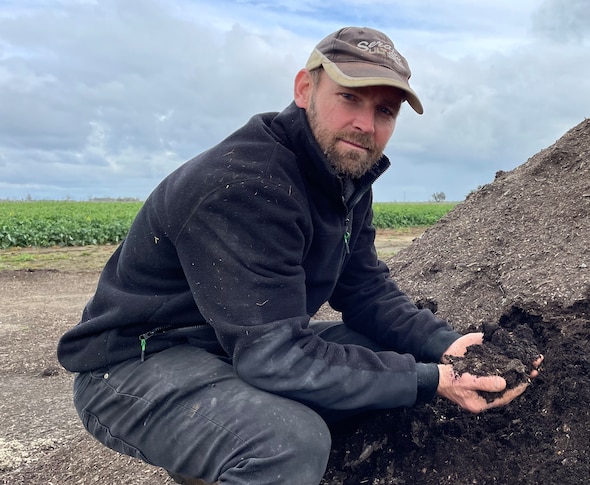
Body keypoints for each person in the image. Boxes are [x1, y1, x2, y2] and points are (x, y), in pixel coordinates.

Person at [57, 26, 541, 485]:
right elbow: (275, 356)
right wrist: (433, 380)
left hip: (236, 344)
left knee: (393, 358)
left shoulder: (345, 176)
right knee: (288, 442)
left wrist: (445, 348)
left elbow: (367, 290)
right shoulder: (248, 184)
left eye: (385, 111)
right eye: (349, 97)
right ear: (304, 89)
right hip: (136, 361)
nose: (365, 124)